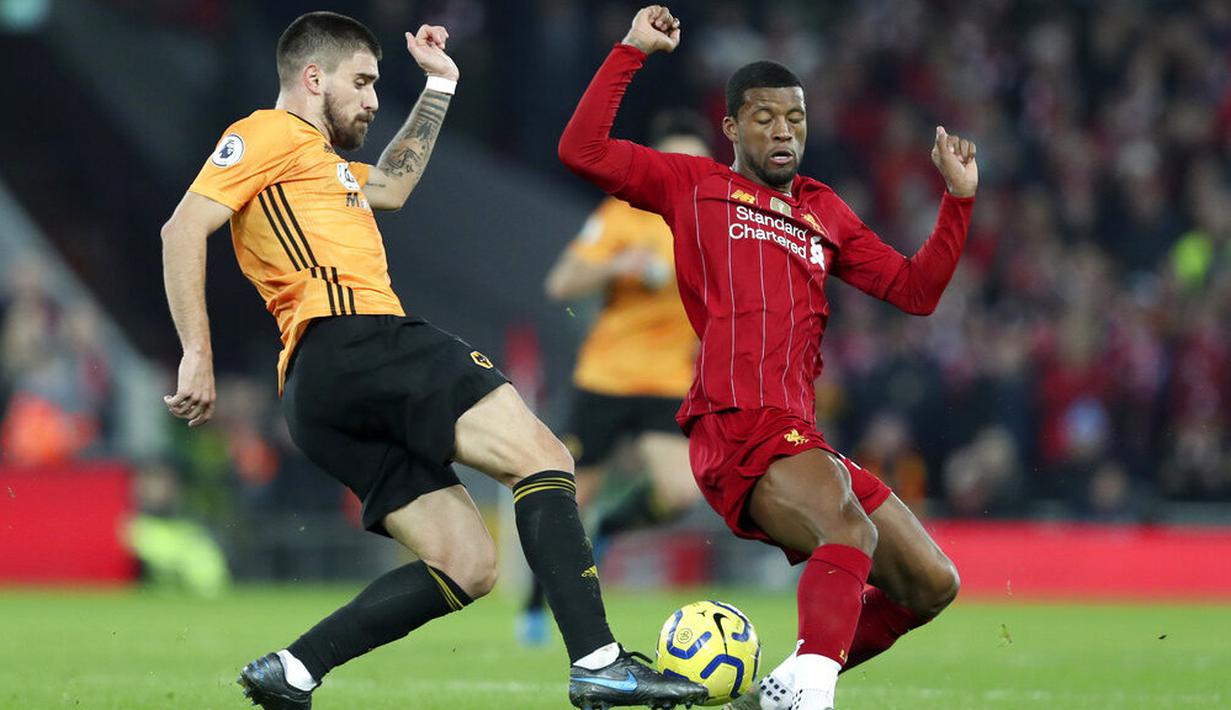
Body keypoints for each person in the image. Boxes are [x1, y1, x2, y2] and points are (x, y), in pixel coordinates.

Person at [159, 11, 705, 710]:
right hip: (358, 337)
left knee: (466, 563)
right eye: (361, 82)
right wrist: (196, 357)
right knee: (543, 458)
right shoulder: (266, 133)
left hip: (317, 392)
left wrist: (439, 87)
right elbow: (183, 227)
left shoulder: (324, 169)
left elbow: (391, 186)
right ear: (312, 77)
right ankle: (599, 663)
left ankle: (294, 669)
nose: (371, 98)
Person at [558, 6, 975, 709]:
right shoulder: (692, 185)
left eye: (795, 119)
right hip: (736, 420)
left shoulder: (824, 210)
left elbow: (913, 291)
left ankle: (781, 689)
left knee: (931, 584)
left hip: (797, 430)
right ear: (730, 127)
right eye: (764, 118)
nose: (782, 132)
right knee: (848, 529)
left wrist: (957, 204)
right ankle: (807, 696)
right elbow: (582, 149)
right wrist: (632, 49)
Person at [521, 111, 711, 645]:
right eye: (673, 160)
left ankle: (612, 530)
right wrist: (619, 264)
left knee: (678, 492)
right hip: (606, 379)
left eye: (692, 162)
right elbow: (560, 283)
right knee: (571, 500)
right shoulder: (625, 215)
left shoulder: (715, 227)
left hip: (669, 381)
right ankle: (536, 607)